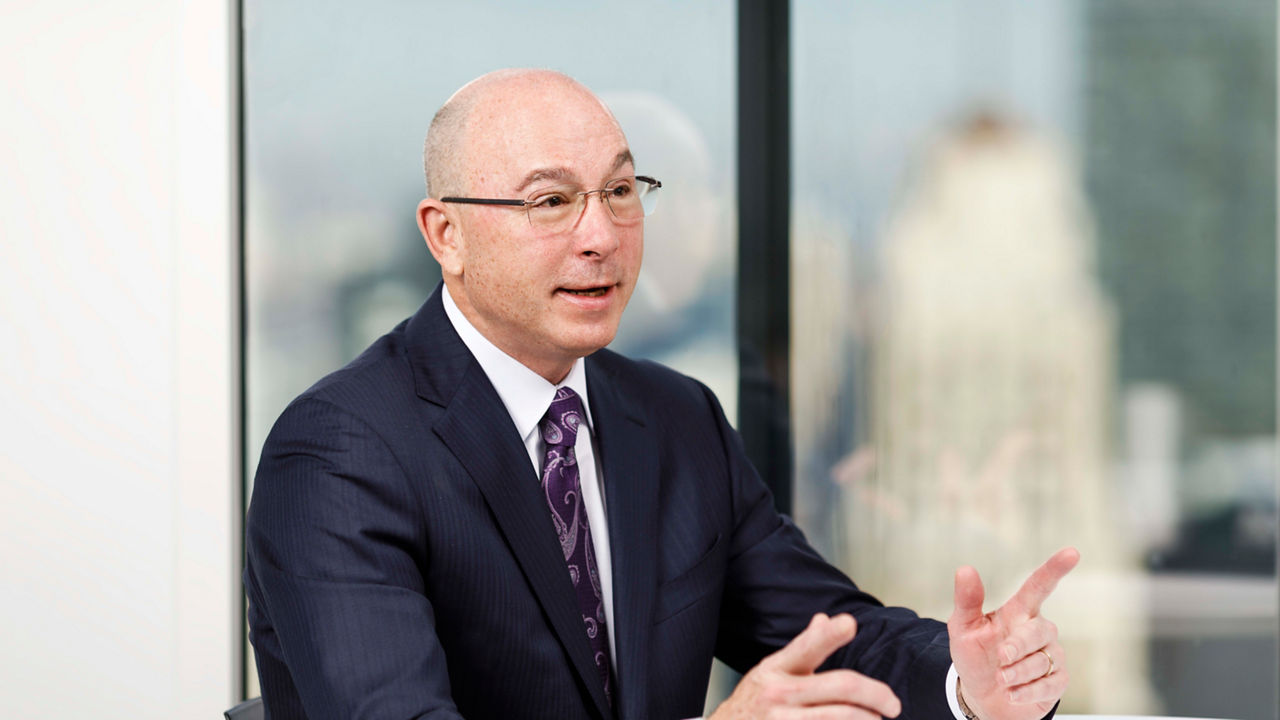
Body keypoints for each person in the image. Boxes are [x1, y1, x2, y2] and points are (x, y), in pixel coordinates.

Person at [245, 68, 1078, 720]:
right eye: (550, 202)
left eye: (619, 192)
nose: (601, 235)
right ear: (446, 234)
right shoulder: (340, 453)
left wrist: (971, 682)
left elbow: (827, 636)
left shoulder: (675, 420)